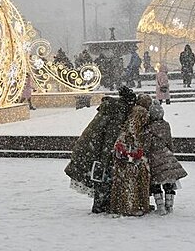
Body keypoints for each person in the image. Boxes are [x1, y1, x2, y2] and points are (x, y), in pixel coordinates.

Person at [64, 86, 137, 214]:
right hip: (102, 149)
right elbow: (110, 136)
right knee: (104, 176)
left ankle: (102, 203)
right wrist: (109, 154)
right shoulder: (118, 112)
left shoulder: (112, 108)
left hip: (94, 147)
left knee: (102, 175)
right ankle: (101, 204)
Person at [110, 94, 152, 216]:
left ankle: (119, 205)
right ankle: (131, 206)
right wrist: (137, 143)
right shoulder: (141, 111)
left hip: (123, 146)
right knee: (133, 178)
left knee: (122, 178)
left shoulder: (134, 109)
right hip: (130, 148)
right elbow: (133, 129)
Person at [146, 101, 187, 215]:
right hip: (167, 155)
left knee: (155, 182)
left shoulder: (149, 127)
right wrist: (170, 153)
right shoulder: (166, 125)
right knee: (168, 182)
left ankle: (160, 206)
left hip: (154, 157)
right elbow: (169, 141)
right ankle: (169, 205)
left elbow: (147, 144)